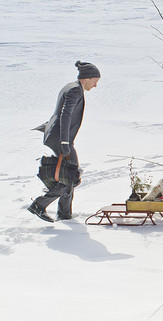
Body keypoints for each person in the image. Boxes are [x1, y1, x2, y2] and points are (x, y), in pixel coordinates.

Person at [28, 61, 101, 222]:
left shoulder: (70, 86)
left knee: (69, 175)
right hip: (62, 139)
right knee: (71, 176)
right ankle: (39, 205)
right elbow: (65, 115)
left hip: (60, 138)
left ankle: (64, 214)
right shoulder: (75, 90)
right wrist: (64, 142)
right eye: (95, 81)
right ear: (87, 78)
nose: (95, 85)